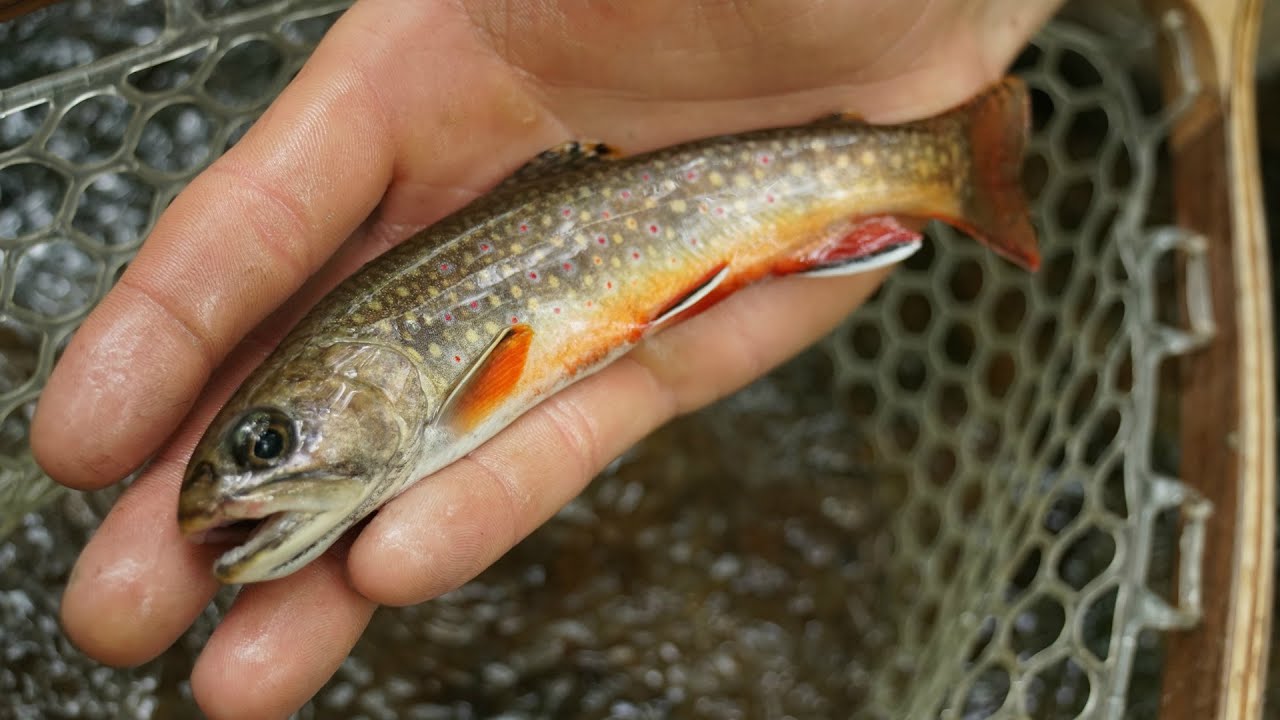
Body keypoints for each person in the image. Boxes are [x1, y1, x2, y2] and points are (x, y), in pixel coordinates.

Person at [30, 1, 1061, 717]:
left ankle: (940, 164)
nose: (251, 481)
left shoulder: (451, 385)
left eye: (268, 441)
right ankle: (933, 166)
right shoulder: (400, 404)